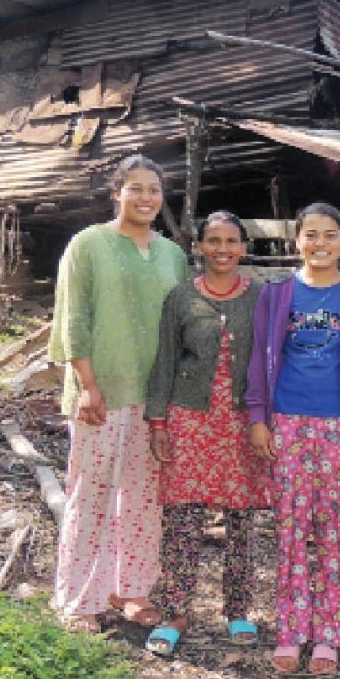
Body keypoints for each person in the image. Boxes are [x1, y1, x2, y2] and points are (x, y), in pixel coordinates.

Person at [49, 153, 189, 634]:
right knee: (91, 494)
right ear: (116, 193)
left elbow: (179, 326)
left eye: (154, 189)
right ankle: (77, 599)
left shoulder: (171, 255)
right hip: (102, 392)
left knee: (144, 499)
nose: (146, 198)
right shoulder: (88, 244)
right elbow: (73, 317)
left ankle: (130, 589)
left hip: (153, 396)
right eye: (136, 188)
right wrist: (87, 385)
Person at [246, 202, 340, 675]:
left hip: (339, 427)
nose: (320, 243)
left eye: (329, 235)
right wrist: (258, 416)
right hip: (286, 423)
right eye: (311, 234)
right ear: (297, 241)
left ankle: (329, 633)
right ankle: (291, 630)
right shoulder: (277, 292)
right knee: (291, 528)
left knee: (334, 530)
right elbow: (260, 356)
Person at [143, 211, 269, 655]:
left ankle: (238, 610)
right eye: (213, 241)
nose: (222, 249)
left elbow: (272, 358)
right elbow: (164, 361)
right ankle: (175, 611)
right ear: (198, 247)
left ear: (244, 248)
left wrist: (268, 419)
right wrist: (158, 421)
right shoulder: (181, 297)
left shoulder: (261, 297)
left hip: (242, 422)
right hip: (190, 419)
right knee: (182, 519)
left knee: (241, 519)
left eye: (231, 241)